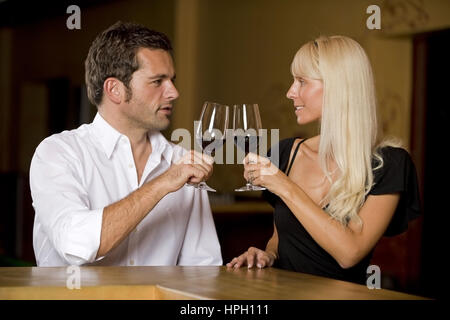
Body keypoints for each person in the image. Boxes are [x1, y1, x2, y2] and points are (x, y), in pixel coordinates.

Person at [226, 35, 421, 284]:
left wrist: (284, 186)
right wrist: (268, 254)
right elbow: (280, 238)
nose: (290, 92)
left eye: (301, 81)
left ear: (338, 87)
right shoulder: (287, 152)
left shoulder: (389, 163)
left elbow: (349, 254)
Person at [30, 21, 222, 267]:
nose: (173, 92)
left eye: (172, 80)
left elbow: (203, 268)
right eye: (157, 81)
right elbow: (75, 245)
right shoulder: (58, 153)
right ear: (115, 90)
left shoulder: (181, 161)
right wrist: (163, 183)